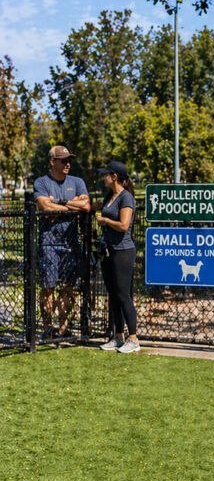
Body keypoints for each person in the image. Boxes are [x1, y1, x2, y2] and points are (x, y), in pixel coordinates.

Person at [34, 144, 90, 340]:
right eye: (63, 161)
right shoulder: (41, 182)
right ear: (52, 162)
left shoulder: (77, 181)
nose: (68, 164)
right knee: (48, 286)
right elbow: (44, 206)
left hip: (70, 243)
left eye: (69, 161)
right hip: (48, 242)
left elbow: (86, 205)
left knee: (68, 287)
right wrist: (72, 204)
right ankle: (48, 327)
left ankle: (63, 328)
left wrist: (58, 202)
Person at [95, 160, 140, 354]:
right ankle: (118, 336)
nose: (103, 177)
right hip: (108, 250)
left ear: (114, 177)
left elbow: (123, 225)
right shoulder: (109, 196)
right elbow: (92, 205)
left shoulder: (126, 197)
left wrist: (105, 220)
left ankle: (133, 339)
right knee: (113, 295)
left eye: (106, 174)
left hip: (123, 251)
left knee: (123, 295)